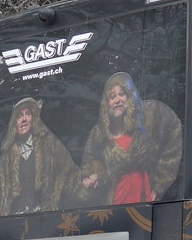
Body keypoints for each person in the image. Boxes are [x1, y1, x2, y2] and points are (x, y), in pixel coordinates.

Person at [78, 72, 182, 205]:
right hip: (114, 205)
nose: (117, 100)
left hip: (145, 205)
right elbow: (90, 162)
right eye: (112, 96)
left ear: (130, 96)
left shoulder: (151, 118)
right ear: (107, 103)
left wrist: (159, 183)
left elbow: (172, 132)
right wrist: (94, 175)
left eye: (122, 94)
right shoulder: (99, 134)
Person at [0, 97, 78, 215]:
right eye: (19, 116)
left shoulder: (51, 145)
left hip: (46, 221)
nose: (24, 119)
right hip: (14, 224)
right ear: (14, 123)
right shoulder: (6, 157)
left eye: (28, 114)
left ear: (34, 119)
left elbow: (70, 172)